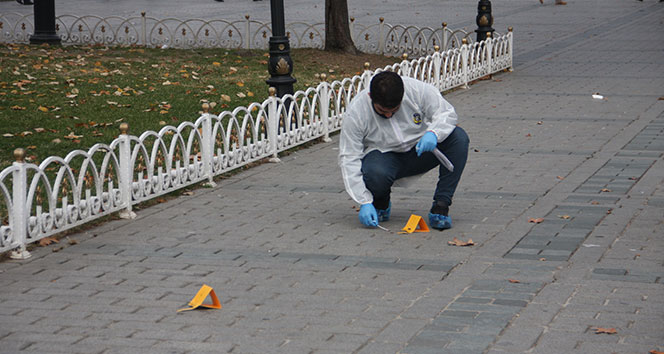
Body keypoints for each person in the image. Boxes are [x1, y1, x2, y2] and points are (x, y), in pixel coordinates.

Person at [338, 71, 469, 230]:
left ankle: (441, 205)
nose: (388, 115)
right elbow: (349, 157)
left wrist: (434, 133)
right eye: (382, 111)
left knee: (458, 138)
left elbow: (446, 112)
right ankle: (380, 202)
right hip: (384, 156)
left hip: (421, 149)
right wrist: (363, 200)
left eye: (394, 110)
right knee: (375, 173)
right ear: (371, 96)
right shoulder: (356, 112)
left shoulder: (417, 90)